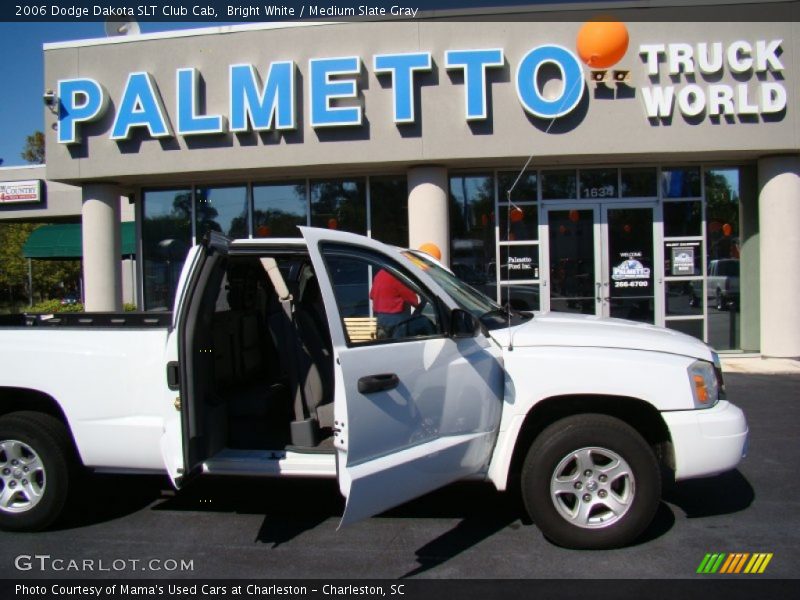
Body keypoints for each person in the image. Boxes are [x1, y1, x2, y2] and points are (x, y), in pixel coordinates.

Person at [369, 268, 419, 338]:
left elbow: (372, 295)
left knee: (383, 345)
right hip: (396, 321)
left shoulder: (380, 273)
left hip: (380, 319)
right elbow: (412, 299)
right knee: (398, 346)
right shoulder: (396, 275)